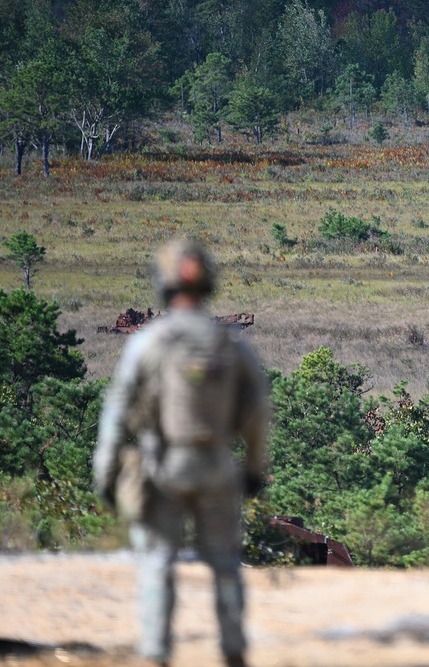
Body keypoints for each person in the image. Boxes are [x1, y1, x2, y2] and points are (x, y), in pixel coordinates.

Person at [94, 238, 270, 667]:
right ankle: (233, 651)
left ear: (164, 286)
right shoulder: (231, 345)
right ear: (209, 285)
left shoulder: (150, 342)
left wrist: (105, 472)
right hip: (217, 465)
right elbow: (259, 410)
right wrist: (254, 468)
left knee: (157, 562)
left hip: (164, 465)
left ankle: (156, 652)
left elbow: (117, 411)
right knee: (226, 564)